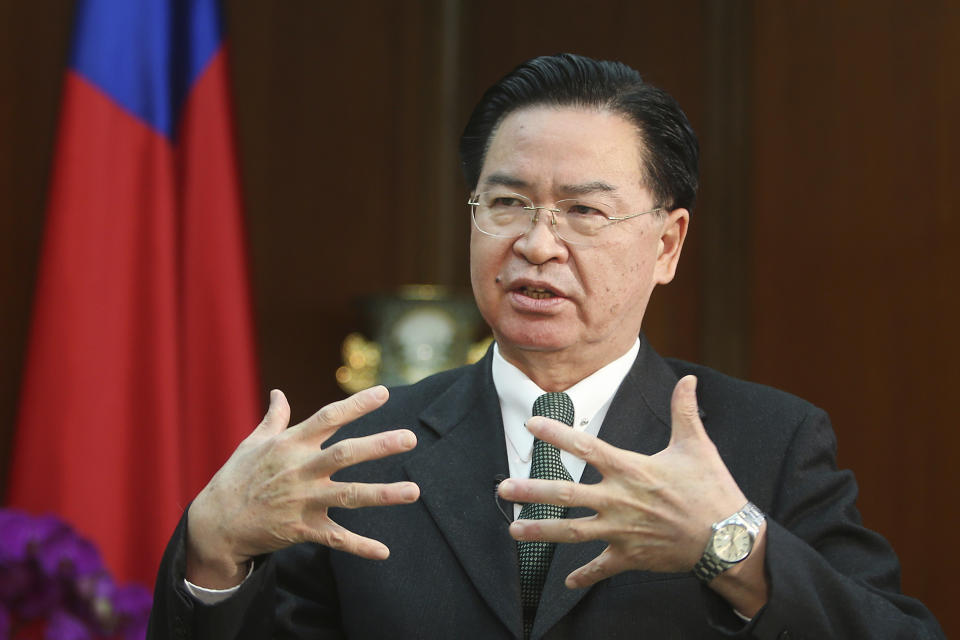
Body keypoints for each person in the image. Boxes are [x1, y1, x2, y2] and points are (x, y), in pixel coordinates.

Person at [148, 54, 944, 639]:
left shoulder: (768, 444)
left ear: (667, 245)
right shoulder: (362, 450)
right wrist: (211, 555)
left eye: (584, 212)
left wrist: (733, 549)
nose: (536, 243)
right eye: (507, 202)